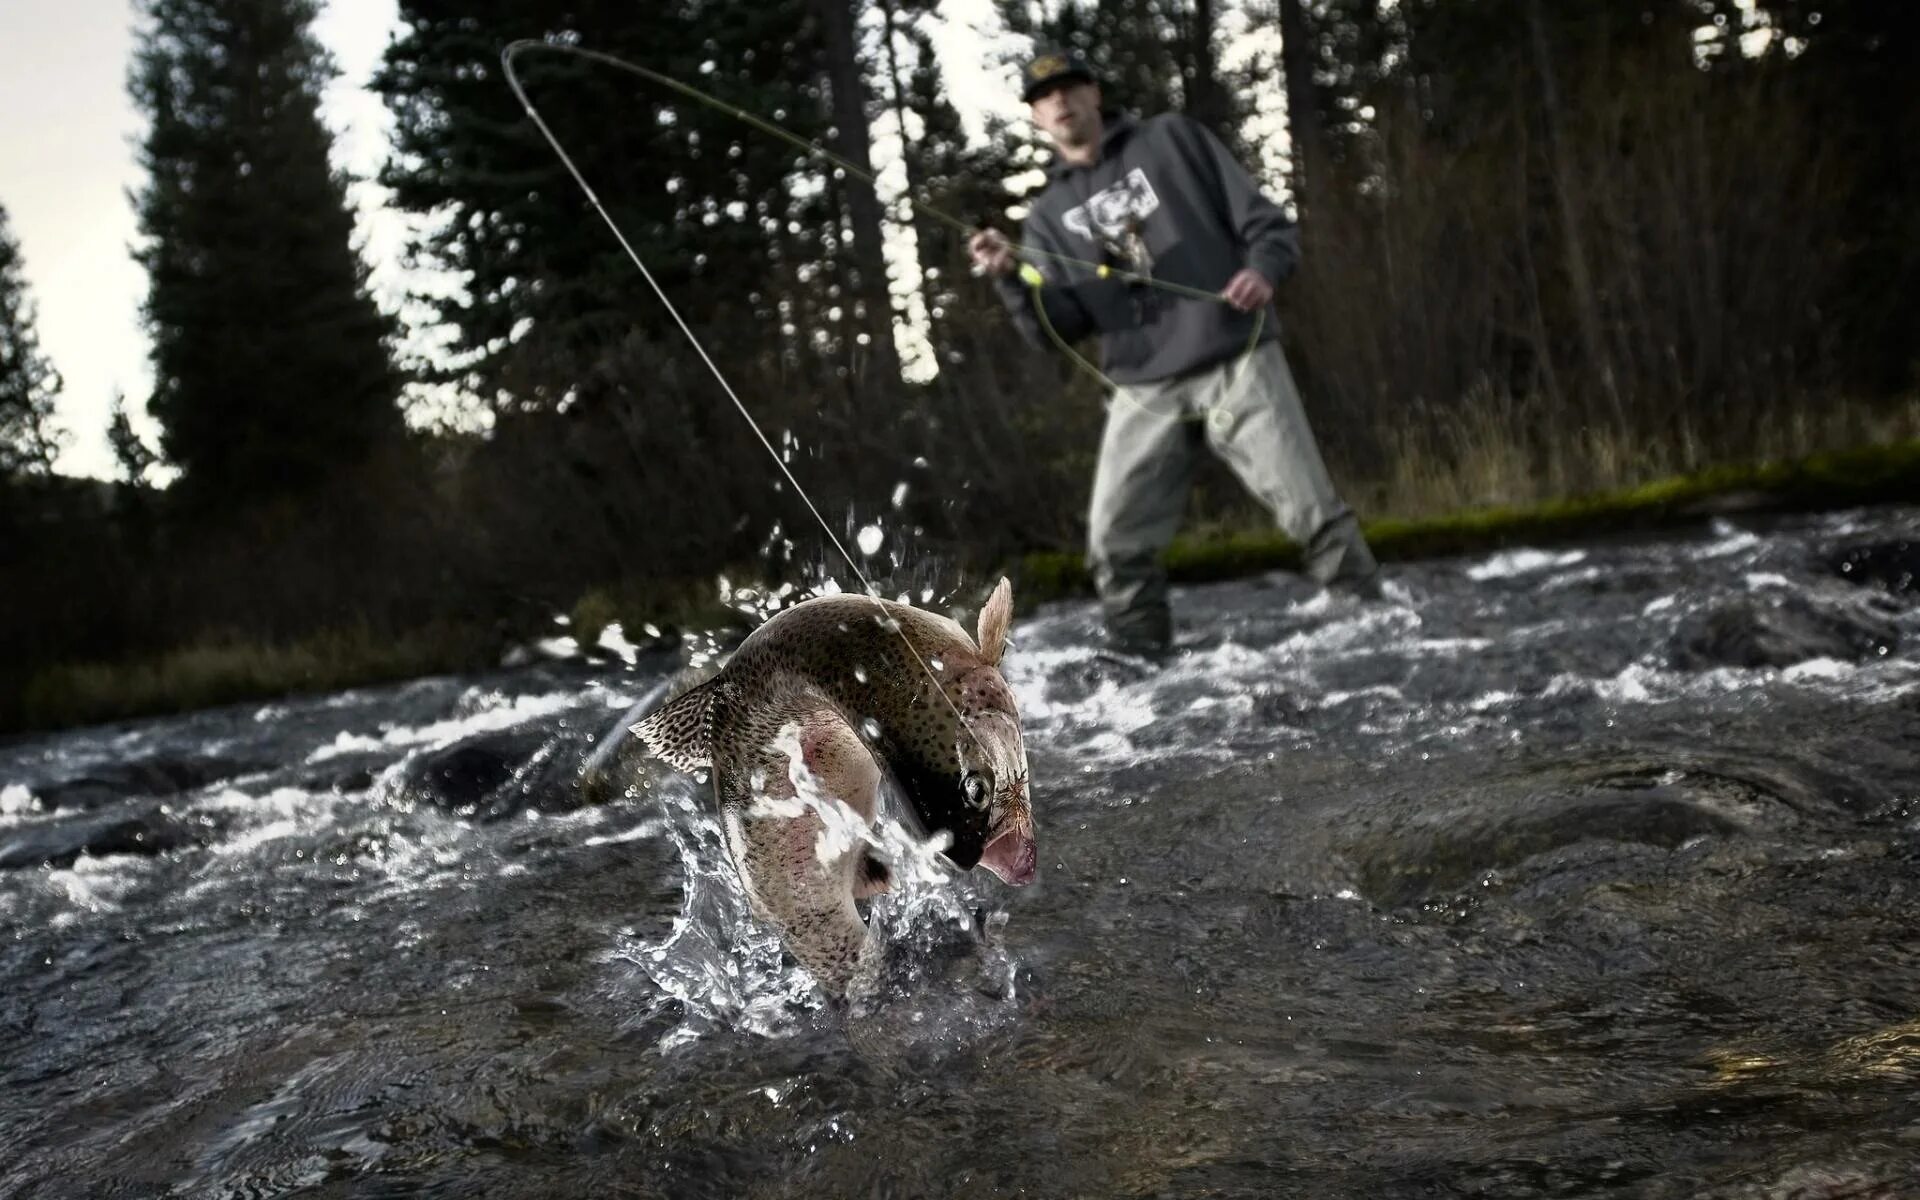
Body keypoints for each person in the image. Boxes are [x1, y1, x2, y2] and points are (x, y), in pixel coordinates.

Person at [969, 49, 1380, 658]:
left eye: (1070, 86)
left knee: (1315, 514)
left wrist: (1263, 272)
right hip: (1142, 388)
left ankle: (1379, 636)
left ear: (1094, 94)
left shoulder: (1173, 141)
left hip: (1234, 355)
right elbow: (1060, 325)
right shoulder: (1047, 217)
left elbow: (1269, 225)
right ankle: (1148, 678)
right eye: (1044, 96)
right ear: (1035, 118)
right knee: (1115, 549)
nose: (1059, 101)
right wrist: (1009, 278)